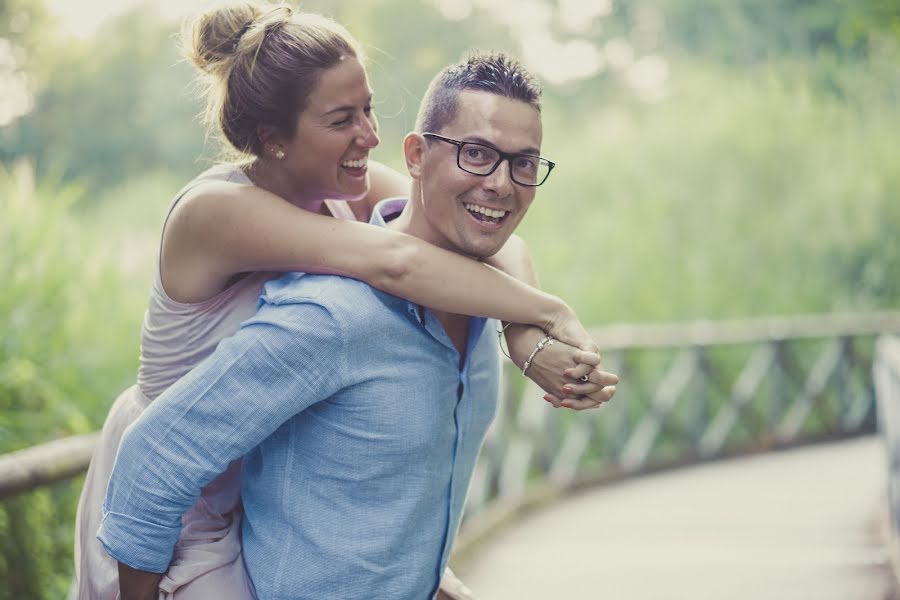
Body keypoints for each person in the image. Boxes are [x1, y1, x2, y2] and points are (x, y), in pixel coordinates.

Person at [75, 4, 616, 599]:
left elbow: (486, 231)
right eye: (340, 119)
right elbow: (399, 260)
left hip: (243, 474)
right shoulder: (222, 216)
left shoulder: (341, 189)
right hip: (184, 509)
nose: (369, 135)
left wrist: (522, 336)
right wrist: (551, 313)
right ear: (272, 139)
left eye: (369, 109)